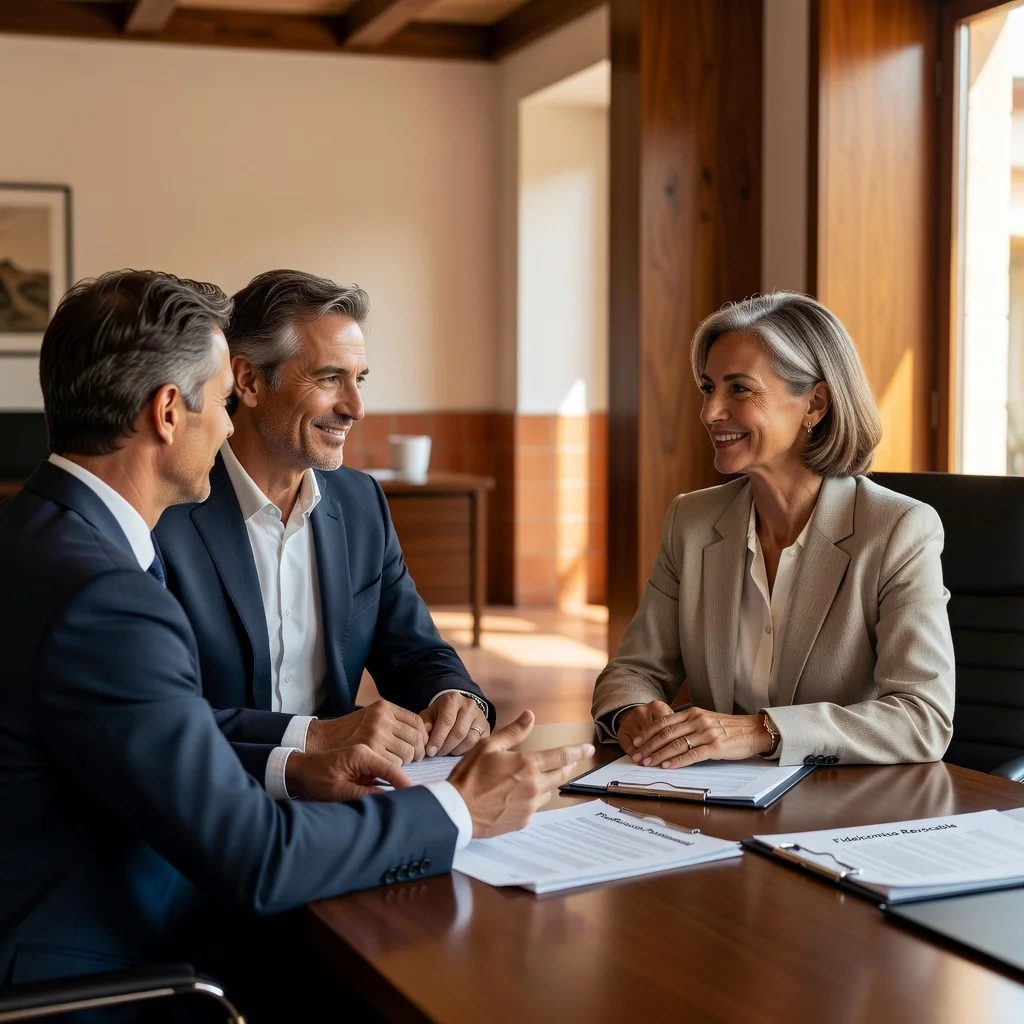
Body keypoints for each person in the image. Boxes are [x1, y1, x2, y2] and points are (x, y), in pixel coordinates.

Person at [0, 270, 592, 994]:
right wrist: (458, 809)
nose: (224, 425)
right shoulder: (109, 592)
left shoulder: (35, 534)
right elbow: (255, 857)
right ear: (169, 412)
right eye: (219, 400)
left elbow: (144, 739)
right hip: (115, 970)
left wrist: (296, 765)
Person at [592, 292, 955, 767]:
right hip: (712, 794)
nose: (709, 412)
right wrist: (632, 713)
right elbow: (632, 671)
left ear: (815, 404)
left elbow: (923, 717)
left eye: (739, 389)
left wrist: (760, 731)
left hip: (843, 799)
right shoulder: (691, 522)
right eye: (708, 387)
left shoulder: (897, 531)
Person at [156, 270, 489, 774]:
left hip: (345, 794)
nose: (356, 408)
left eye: (359, 380)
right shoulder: (166, 509)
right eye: (330, 378)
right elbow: (157, 718)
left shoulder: (361, 503)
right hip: (218, 792)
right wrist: (316, 738)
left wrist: (455, 698)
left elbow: (414, 651)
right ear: (249, 381)